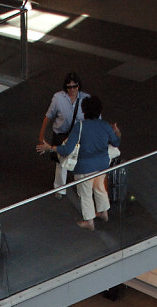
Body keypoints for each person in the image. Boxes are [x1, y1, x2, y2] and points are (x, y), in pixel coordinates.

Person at [37, 95, 120, 230]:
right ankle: (104, 212)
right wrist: (116, 131)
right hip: (102, 165)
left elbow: (67, 149)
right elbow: (116, 142)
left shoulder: (80, 127)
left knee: (85, 193)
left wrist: (50, 148)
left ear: (84, 111)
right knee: (99, 187)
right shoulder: (105, 125)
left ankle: (89, 221)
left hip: (84, 167)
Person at [38, 72, 88, 195]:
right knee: (61, 163)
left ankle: (81, 189)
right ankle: (60, 188)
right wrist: (41, 135)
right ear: (65, 87)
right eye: (69, 87)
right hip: (61, 134)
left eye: (74, 86)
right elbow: (48, 116)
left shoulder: (85, 99)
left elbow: (94, 117)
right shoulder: (58, 98)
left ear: (78, 86)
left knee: (79, 161)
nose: (72, 90)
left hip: (77, 135)